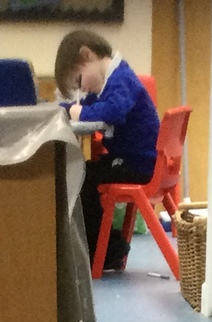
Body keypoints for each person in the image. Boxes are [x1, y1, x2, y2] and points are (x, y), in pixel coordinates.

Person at [54, 29, 160, 272]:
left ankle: (108, 249)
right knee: (84, 174)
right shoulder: (115, 80)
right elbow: (93, 105)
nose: (83, 90)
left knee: (83, 178)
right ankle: (106, 247)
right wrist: (64, 108)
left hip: (137, 164)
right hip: (132, 161)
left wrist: (78, 112)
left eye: (79, 81)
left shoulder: (121, 79)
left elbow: (113, 110)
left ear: (87, 55)